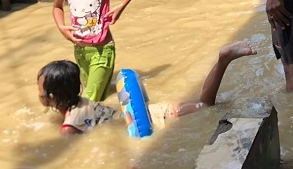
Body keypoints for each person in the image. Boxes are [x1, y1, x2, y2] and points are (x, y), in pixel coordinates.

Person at [37, 40, 258, 136]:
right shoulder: (83, 100)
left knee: (206, 105)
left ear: (52, 96)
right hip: (147, 111)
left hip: (150, 122)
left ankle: (223, 59)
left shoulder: (69, 127)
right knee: (203, 105)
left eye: (40, 90)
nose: (38, 94)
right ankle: (223, 60)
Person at [53, 0, 142, 102]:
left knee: (89, 100)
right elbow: (57, 6)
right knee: (96, 97)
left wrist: (121, 6)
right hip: (80, 51)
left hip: (102, 50)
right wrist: (61, 27)